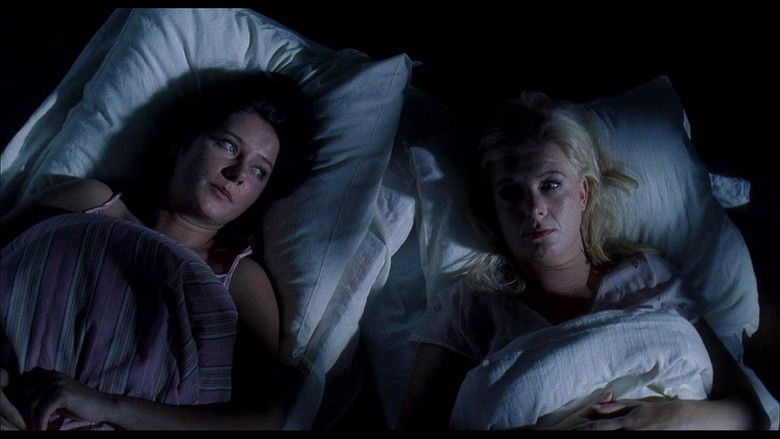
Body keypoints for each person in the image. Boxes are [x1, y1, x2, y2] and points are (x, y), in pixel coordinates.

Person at [395, 91, 770, 430]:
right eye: (510, 193)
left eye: (550, 185)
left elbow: (749, 413)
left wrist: (665, 417)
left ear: (584, 193)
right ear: (492, 208)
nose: (534, 209)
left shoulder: (649, 277)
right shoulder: (471, 307)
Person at [0, 70, 315, 430]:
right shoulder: (89, 203)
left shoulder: (240, 280)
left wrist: (106, 406)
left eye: (260, 171)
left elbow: (262, 419)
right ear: (182, 142)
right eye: (229, 146)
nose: (239, 173)